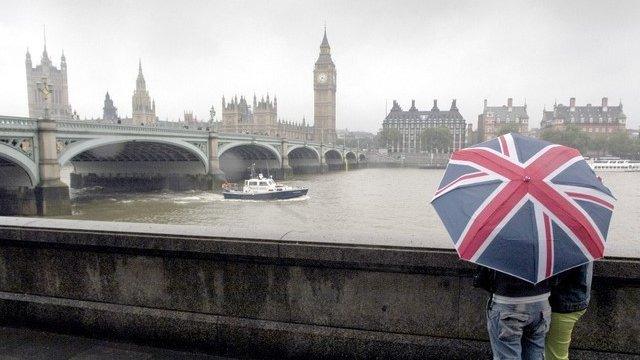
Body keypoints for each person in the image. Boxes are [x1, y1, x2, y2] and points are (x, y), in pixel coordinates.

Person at [475, 266, 551, 359]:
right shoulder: (544, 251)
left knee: (508, 355)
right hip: (541, 303)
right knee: (535, 354)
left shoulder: (499, 251)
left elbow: (482, 278)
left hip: (508, 302)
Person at [545, 263, 593, 360]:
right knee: (556, 354)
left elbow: (556, 275)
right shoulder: (578, 248)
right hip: (575, 298)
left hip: (563, 302)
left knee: (555, 356)